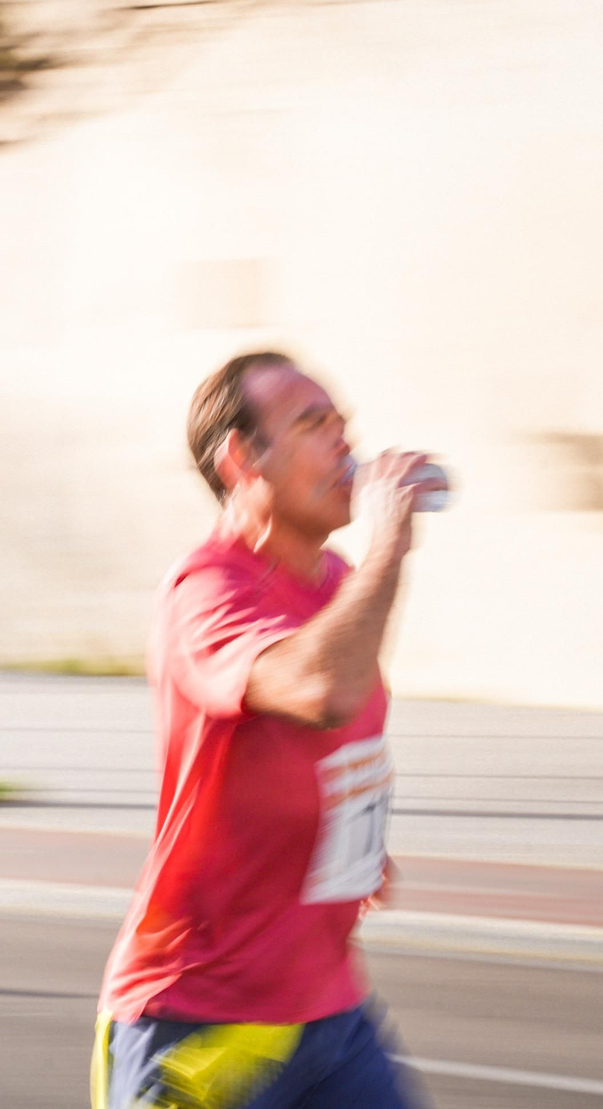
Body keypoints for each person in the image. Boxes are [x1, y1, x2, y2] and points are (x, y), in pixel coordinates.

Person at [92, 353, 434, 1109]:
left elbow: (338, 741)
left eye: (343, 425)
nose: (344, 444)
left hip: (329, 1009)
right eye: (314, 425)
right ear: (242, 459)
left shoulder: (339, 584)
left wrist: (350, 847)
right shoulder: (205, 590)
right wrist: (391, 541)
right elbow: (322, 688)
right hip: (202, 1021)